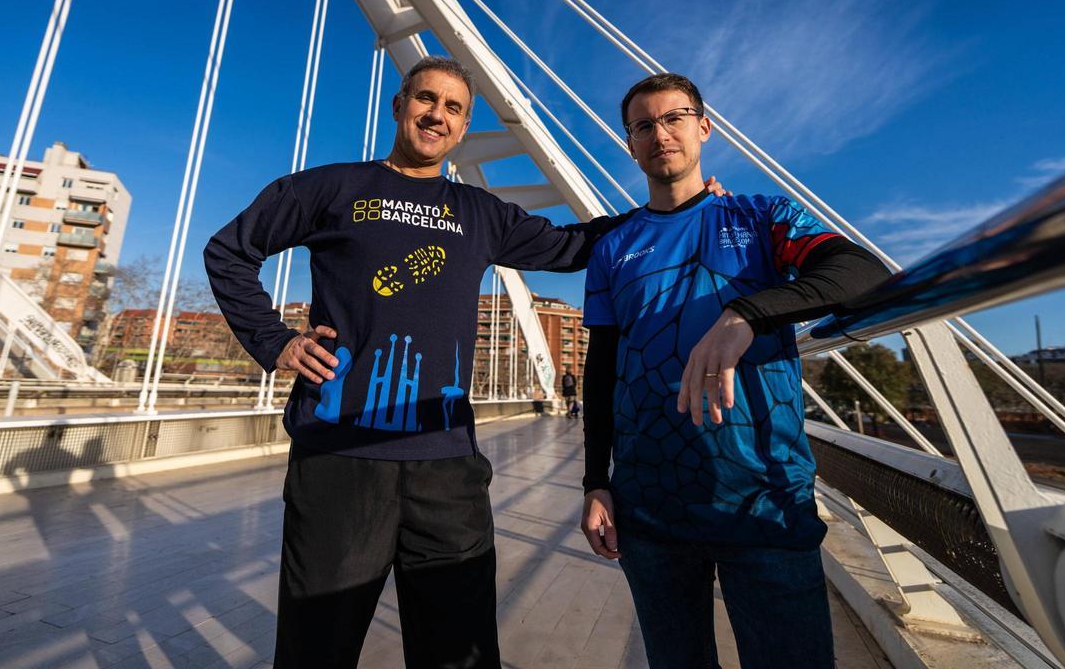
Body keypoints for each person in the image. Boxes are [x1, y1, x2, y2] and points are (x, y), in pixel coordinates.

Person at [204, 56, 724, 668]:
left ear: (465, 126)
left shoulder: (480, 213)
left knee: (461, 652)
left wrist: (671, 212)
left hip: (449, 468)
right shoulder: (329, 188)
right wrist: (275, 340)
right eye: (426, 100)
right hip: (339, 459)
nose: (436, 115)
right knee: (317, 648)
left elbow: (573, 245)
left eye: (453, 108)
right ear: (399, 106)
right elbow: (229, 252)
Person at [578, 73, 891, 669]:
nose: (659, 134)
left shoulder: (762, 219)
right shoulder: (613, 248)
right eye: (643, 125)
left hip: (763, 504)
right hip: (650, 510)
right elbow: (601, 371)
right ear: (630, 144)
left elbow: (864, 272)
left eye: (674, 118)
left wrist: (747, 312)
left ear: (704, 127)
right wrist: (596, 480)